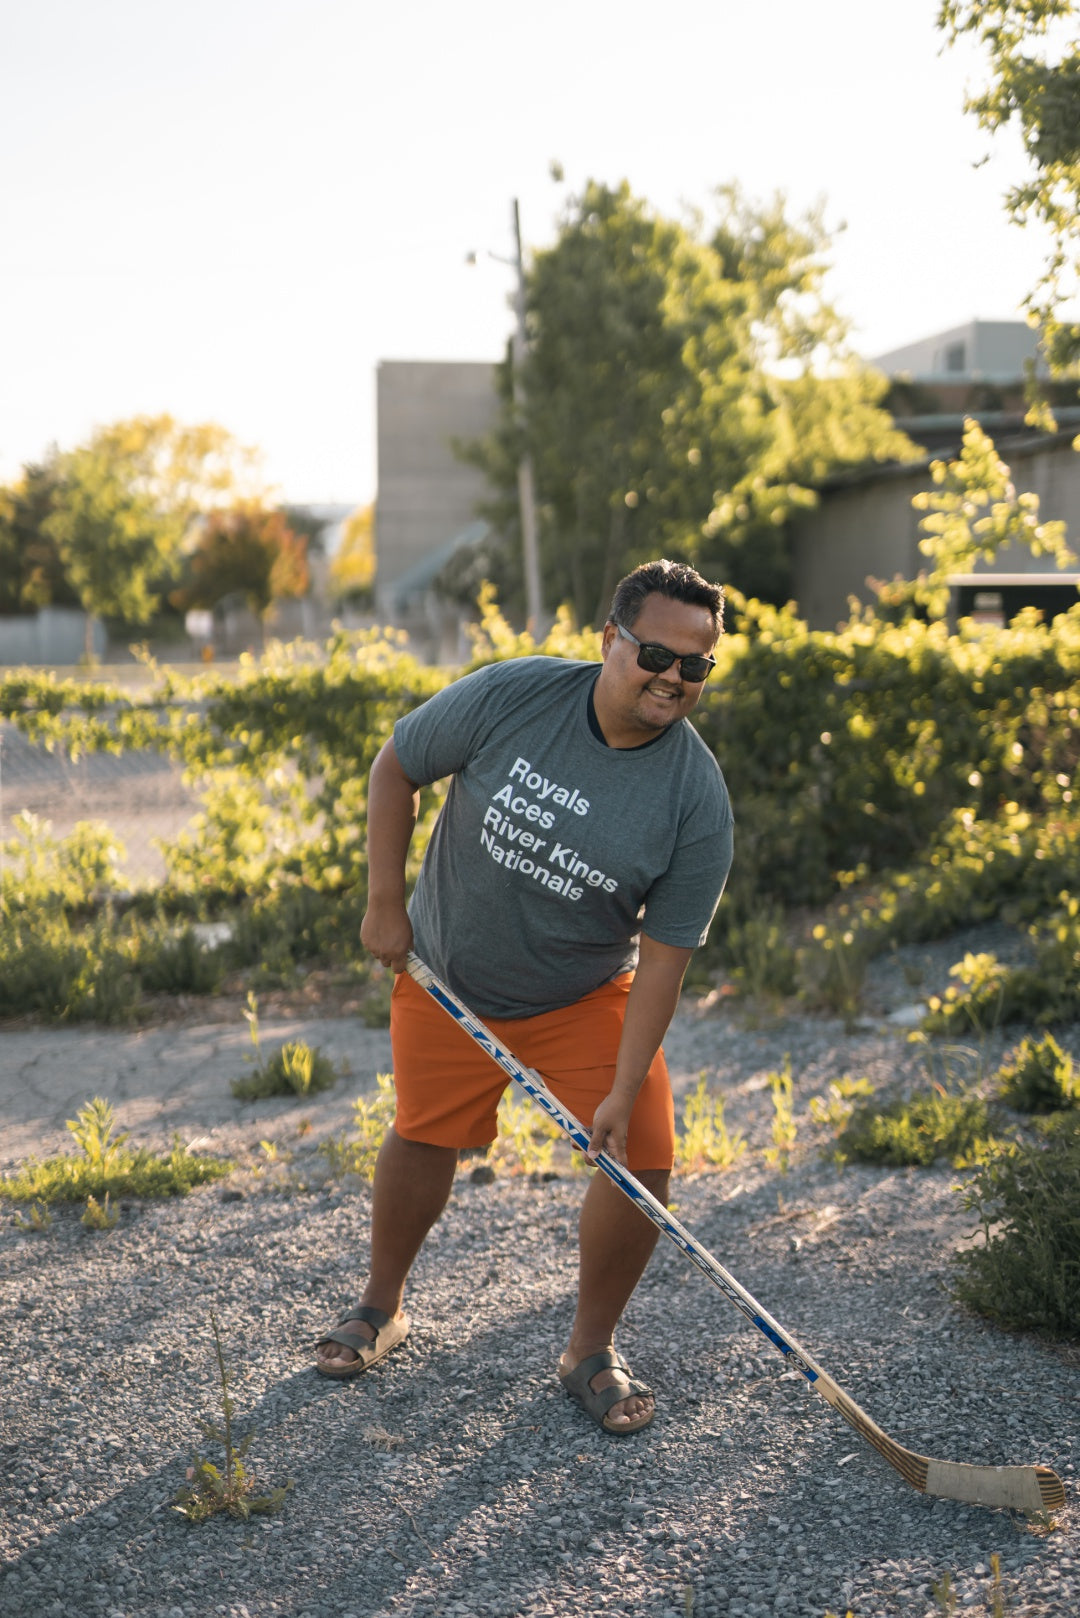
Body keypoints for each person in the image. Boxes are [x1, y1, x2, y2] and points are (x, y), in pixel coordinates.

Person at [315, 559, 734, 1434]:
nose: (673, 677)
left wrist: (623, 1084)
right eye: (657, 652)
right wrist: (385, 903)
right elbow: (397, 767)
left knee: (644, 1152)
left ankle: (589, 1350)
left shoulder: (696, 800)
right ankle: (382, 1306)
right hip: (448, 978)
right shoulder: (516, 695)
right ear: (610, 638)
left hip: (584, 994)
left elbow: (664, 956)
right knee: (424, 1134)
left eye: (696, 665)